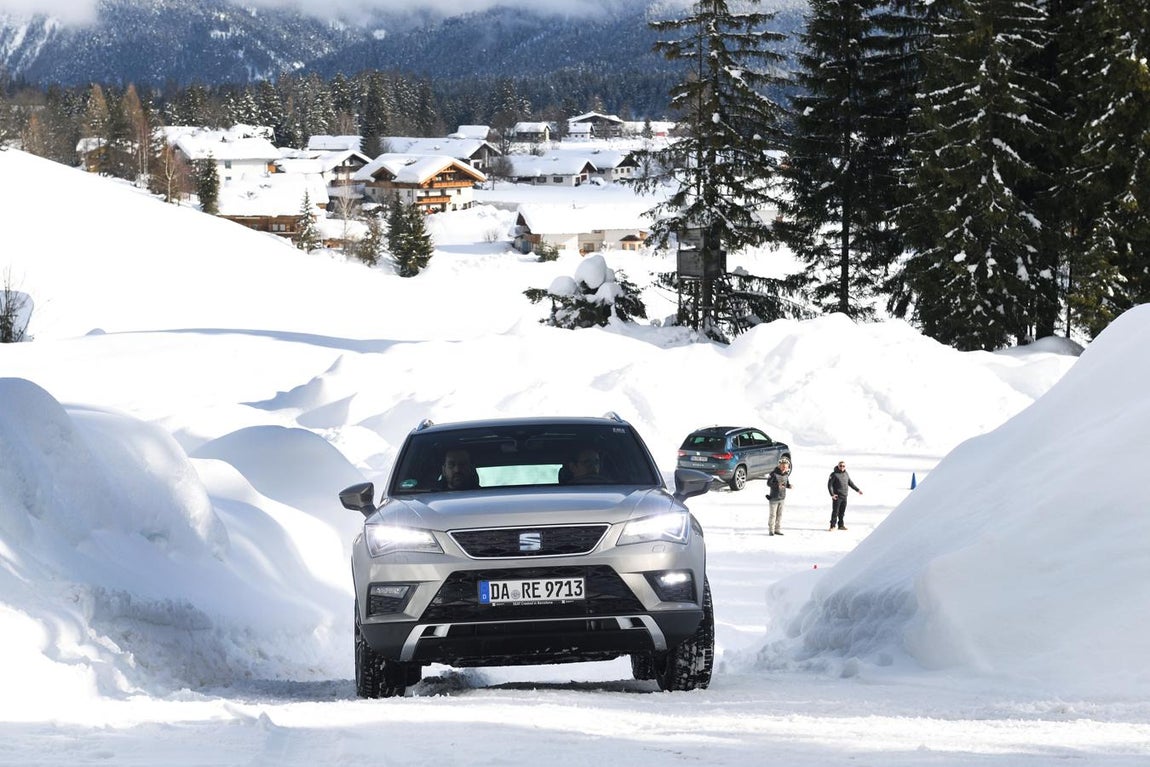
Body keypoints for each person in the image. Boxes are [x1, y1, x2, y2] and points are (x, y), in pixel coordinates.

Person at [827, 460, 862, 530]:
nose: (842, 467)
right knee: (835, 512)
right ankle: (832, 526)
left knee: (842, 512)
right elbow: (829, 485)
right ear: (838, 466)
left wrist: (858, 490)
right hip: (837, 496)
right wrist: (832, 494)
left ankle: (841, 525)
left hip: (844, 496)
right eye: (840, 466)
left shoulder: (846, 474)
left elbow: (850, 483)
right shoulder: (833, 474)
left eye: (843, 466)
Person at [766, 458, 792, 536]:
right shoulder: (773, 474)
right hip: (774, 498)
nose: (784, 468)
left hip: (782, 498)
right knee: (773, 515)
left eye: (786, 467)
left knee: (779, 515)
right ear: (779, 466)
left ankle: (777, 529)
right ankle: (771, 530)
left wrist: (789, 486)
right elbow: (768, 483)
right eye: (783, 466)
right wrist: (777, 485)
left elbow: (786, 483)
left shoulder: (786, 474)